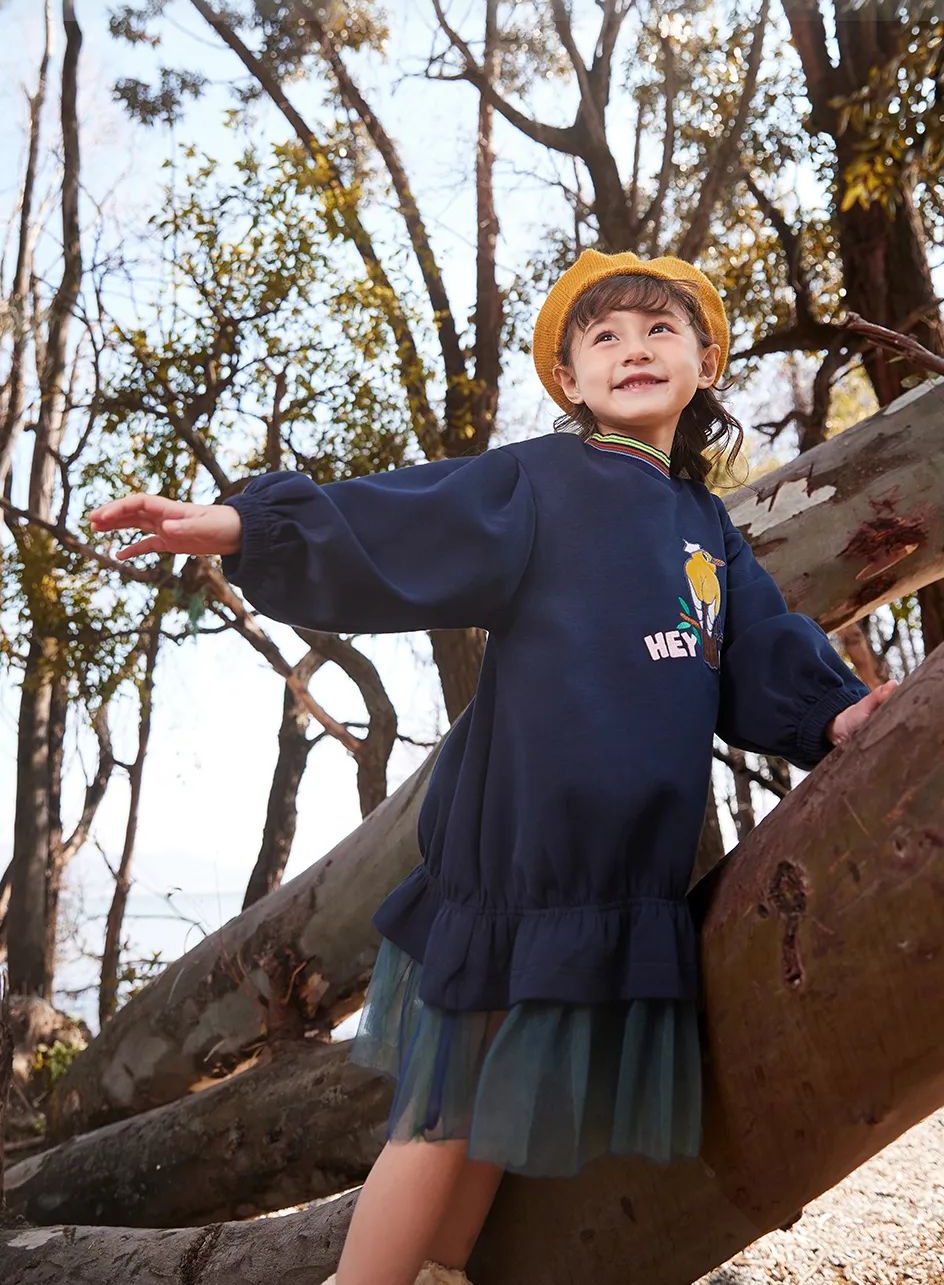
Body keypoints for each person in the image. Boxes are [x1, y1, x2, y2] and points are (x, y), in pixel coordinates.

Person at [88, 248, 896, 1285]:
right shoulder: (542, 481)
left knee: (487, 1128)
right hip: (523, 862)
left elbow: (752, 652)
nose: (631, 348)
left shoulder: (704, 526)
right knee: (447, 1113)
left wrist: (832, 715)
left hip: (623, 878)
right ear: (568, 381)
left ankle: (437, 1274)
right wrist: (249, 525)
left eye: (659, 330)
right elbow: (408, 518)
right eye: (602, 336)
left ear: (703, 364)